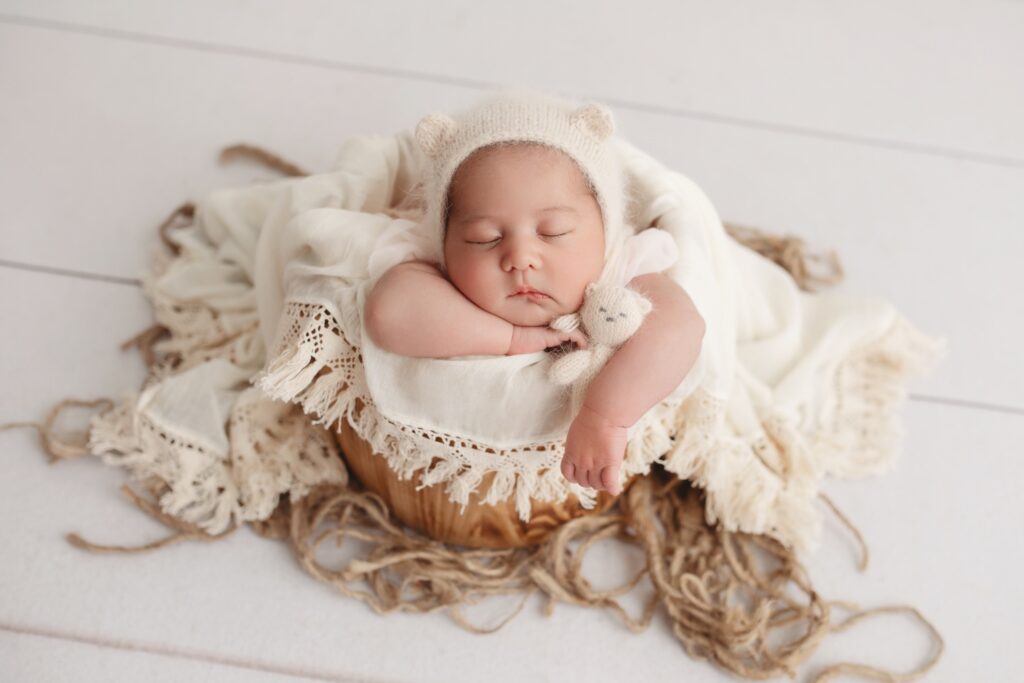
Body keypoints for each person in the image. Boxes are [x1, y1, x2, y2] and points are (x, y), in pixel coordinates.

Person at [363, 90, 705, 497]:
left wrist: (604, 417)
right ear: (445, 243)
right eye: (483, 238)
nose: (520, 257)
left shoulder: (619, 270)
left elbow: (682, 328)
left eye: (553, 232)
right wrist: (513, 339)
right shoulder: (435, 273)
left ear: (606, 231)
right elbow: (388, 312)